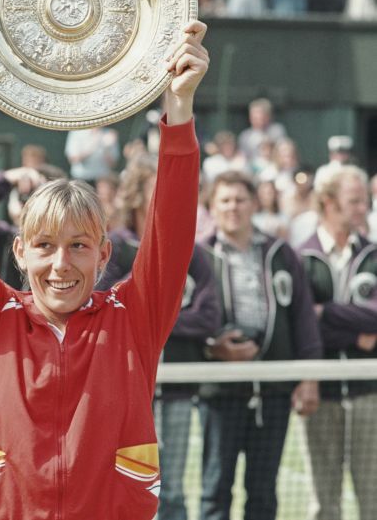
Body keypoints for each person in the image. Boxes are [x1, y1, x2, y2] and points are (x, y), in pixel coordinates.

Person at [0, 19, 209, 520]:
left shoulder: (133, 319)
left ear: (104, 255)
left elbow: (171, 231)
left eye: (79, 246)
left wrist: (180, 107)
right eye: (44, 245)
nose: (61, 264)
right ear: (19, 252)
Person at [95, 152, 221, 520]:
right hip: (120, 391)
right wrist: (151, 319)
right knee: (120, 486)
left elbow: (209, 317)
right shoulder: (113, 248)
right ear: (136, 194)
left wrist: (152, 320)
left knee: (173, 491)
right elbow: (104, 315)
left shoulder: (191, 254)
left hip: (179, 391)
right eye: (157, 190)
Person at [200, 170, 322, 520]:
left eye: (240, 199)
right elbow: (184, 321)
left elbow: (303, 318)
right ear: (212, 206)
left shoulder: (282, 253)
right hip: (220, 395)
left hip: (272, 392)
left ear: (255, 203)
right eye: (224, 200)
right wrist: (213, 348)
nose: (233, 207)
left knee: (264, 493)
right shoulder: (199, 255)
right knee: (215, 490)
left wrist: (309, 377)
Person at [299, 164, 377, 520]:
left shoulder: (373, 255)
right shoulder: (300, 257)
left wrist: (324, 312)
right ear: (329, 202)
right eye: (356, 201)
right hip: (322, 395)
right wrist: (354, 332)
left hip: (368, 393)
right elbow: (301, 325)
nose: (364, 208)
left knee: (371, 495)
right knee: (324, 501)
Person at [238, 97, 287, 164]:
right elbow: (243, 158)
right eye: (254, 117)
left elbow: (283, 153)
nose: (257, 120)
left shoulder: (277, 130)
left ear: (268, 116)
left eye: (260, 117)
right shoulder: (245, 136)